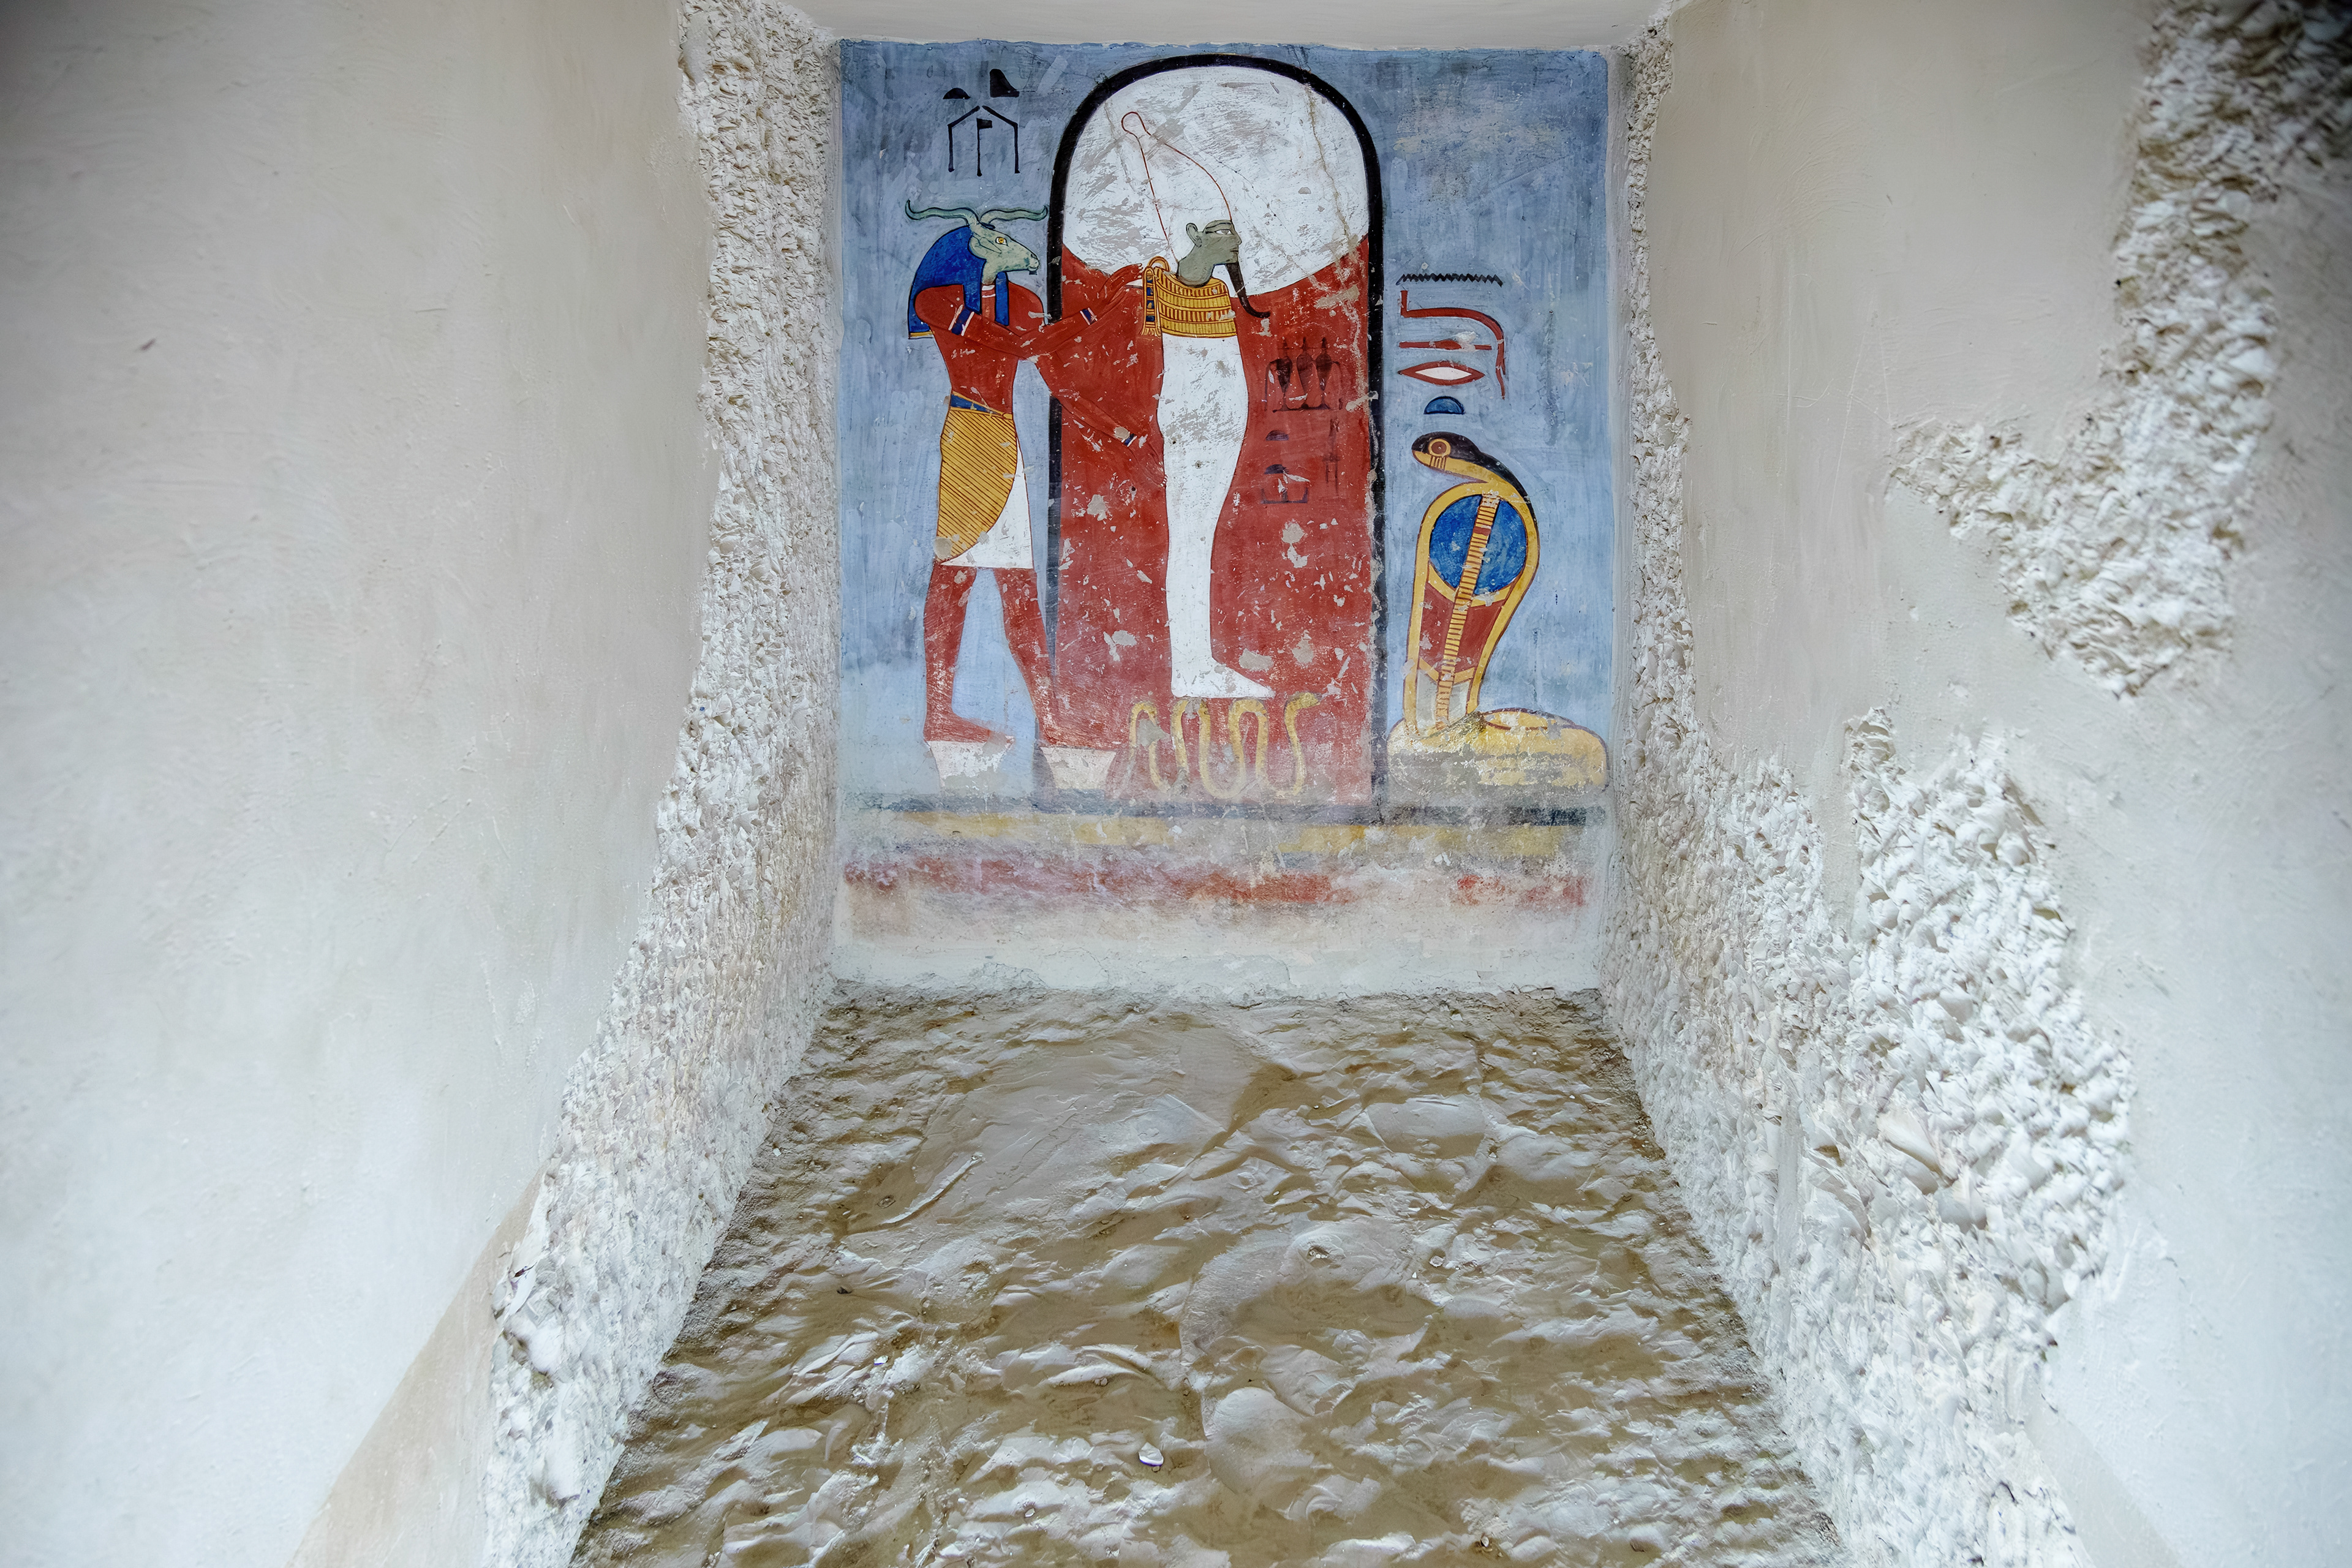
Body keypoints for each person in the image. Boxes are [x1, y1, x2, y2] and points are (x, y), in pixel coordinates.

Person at [904, 213, 1139, 763]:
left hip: (1004, 442)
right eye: (1001, 240)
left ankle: (1051, 721)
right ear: (980, 246)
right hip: (969, 438)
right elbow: (1015, 346)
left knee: (1019, 588)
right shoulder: (937, 300)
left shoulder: (1026, 302)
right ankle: (940, 714)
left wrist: (1118, 432)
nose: (1017, 248)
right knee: (954, 576)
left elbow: (1053, 376)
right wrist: (1092, 312)